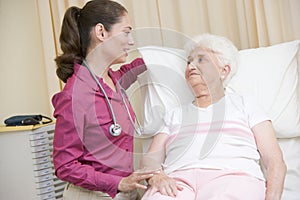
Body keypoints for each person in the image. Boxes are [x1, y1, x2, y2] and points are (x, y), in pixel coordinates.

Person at [140, 33, 286, 200]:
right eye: (189, 61)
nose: (191, 67)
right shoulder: (174, 114)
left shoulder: (246, 104)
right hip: (176, 182)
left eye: (201, 60)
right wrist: (157, 177)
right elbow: (151, 158)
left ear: (224, 70)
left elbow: (275, 160)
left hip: (232, 178)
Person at [52, 0, 155, 199]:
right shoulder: (75, 96)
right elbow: (64, 166)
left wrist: (160, 57)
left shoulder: (113, 80)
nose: (131, 41)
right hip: (95, 194)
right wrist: (119, 183)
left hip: (125, 190)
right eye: (126, 32)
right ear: (101, 32)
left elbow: (131, 70)